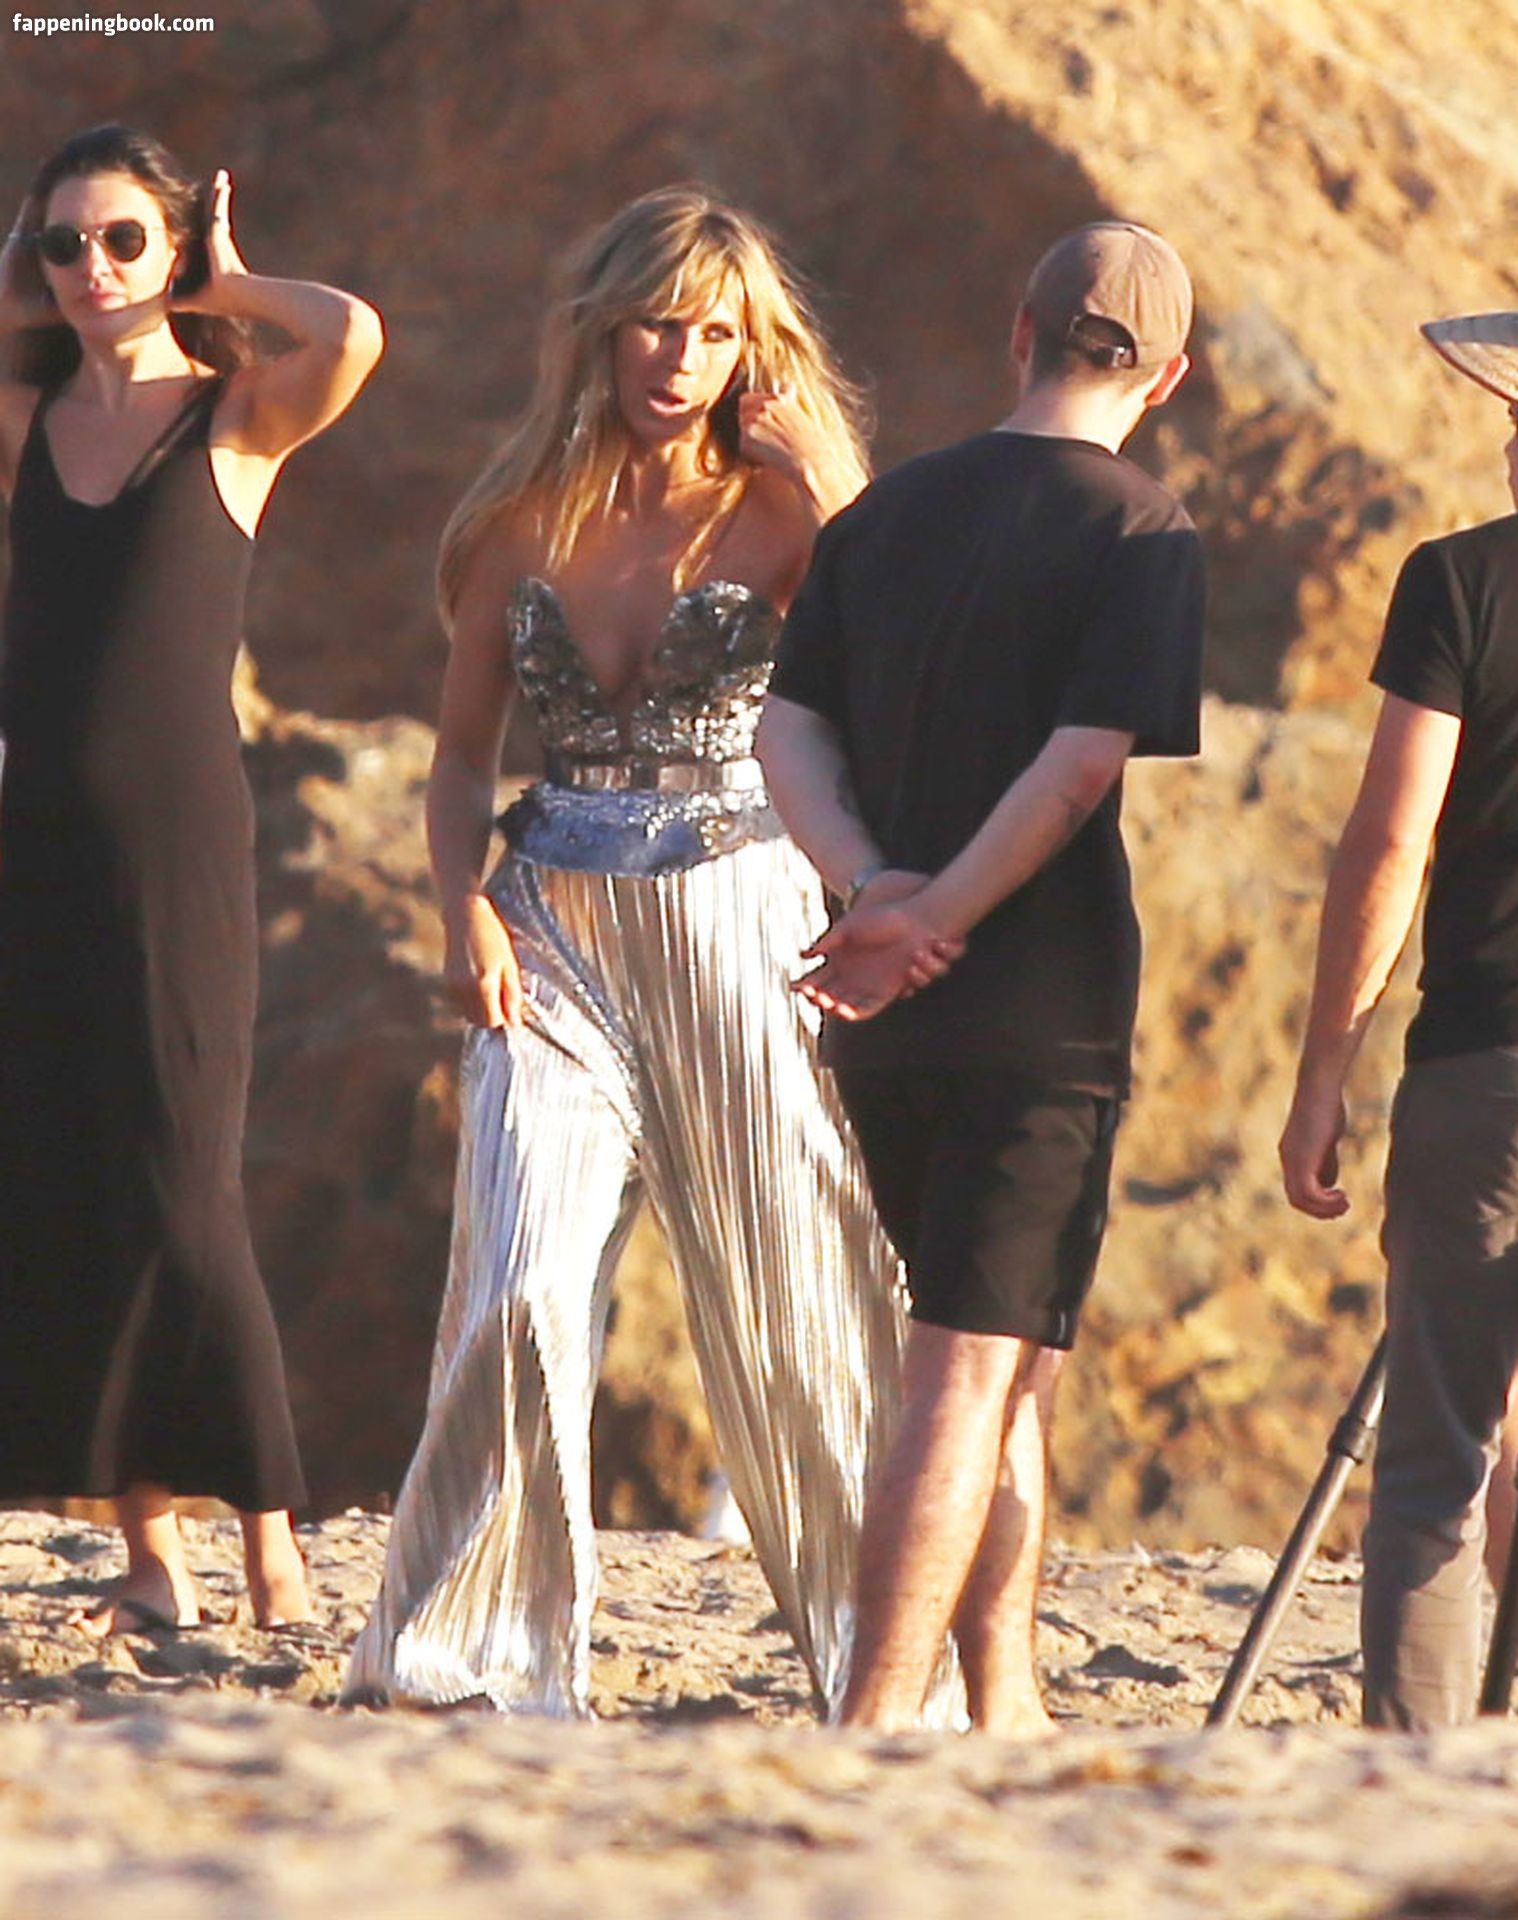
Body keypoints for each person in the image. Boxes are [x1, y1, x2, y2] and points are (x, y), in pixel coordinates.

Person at [346, 185, 958, 1721]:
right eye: (651, 326)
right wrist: (459, 904)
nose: (677, 360)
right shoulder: (518, 523)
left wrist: (824, 476)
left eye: (711, 333)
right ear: (599, 333)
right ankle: (465, 1664)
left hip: (747, 928)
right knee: (516, 1278)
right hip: (551, 929)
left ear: (753, 351)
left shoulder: (792, 520)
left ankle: (882, 1676)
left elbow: (908, 656)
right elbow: (458, 760)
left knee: (800, 1306)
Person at [758, 222, 1204, 1733]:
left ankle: (1003, 1698)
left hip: (883, 1006)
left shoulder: (882, 513)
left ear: (1018, 332)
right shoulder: (1141, 527)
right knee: (963, 1365)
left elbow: (787, 732)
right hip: (1038, 1006)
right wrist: (932, 910)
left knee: (1011, 1356)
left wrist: (871, 891)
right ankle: (874, 1721)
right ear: (1169, 377)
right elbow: (1075, 772)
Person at [0, 124, 383, 1633]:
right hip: (36, 849)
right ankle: (150, 1553)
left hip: (179, 854)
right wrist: (35, 288)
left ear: (175, 245)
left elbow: (348, 333)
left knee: (186, 1182)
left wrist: (228, 284)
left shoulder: (235, 418)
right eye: (61, 243)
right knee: (81, 1179)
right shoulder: (25, 421)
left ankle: (272, 1538)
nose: (90, 268)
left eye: (122, 240)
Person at [1281, 257, 1518, 1729]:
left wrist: (1325, 1068)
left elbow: (1390, 840)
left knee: (1443, 1457)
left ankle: (1414, 1789)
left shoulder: (1461, 581)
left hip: (1490, 1066)